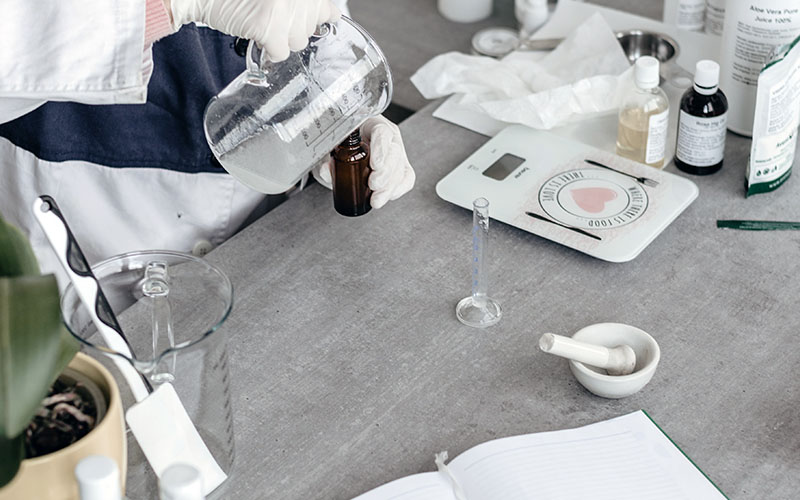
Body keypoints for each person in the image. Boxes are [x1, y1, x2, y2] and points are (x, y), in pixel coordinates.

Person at [0, 0, 415, 279]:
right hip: (94, 229)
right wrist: (168, 5)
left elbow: (317, 28)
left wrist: (341, 115)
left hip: (260, 241)